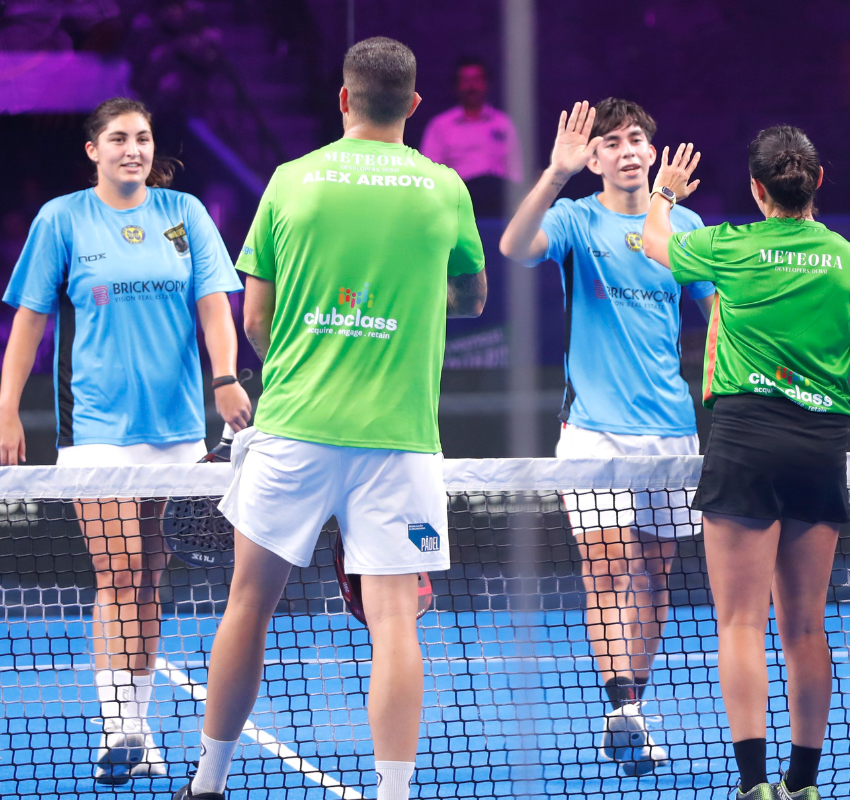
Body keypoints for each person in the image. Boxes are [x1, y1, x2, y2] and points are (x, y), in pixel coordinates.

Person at [176, 36, 486, 800]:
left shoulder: (290, 182)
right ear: (415, 105)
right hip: (398, 440)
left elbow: (255, 320)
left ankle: (208, 783)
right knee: (395, 626)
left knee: (248, 602)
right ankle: (393, 794)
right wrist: (413, 305)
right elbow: (474, 298)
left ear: (344, 99)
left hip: (293, 428)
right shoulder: (445, 187)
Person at [641, 126, 850, 800]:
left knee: (739, 624)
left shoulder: (730, 246)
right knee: (806, 627)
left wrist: (663, 194)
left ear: (758, 189)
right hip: (819, 450)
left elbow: (653, 244)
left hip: (744, 445)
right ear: (818, 181)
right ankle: (805, 784)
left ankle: (755, 784)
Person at [0, 97, 251, 786]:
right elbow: (30, 320)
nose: (131, 149)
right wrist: (6, 410)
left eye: (141, 138)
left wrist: (224, 378)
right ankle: (117, 729)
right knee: (120, 570)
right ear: (93, 150)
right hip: (95, 430)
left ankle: (137, 725)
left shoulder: (184, 215)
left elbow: (214, 305)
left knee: (150, 574)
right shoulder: (62, 220)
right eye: (117, 139)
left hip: (175, 432)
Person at [499, 98, 715, 776]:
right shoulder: (573, 219)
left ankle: (631, 711)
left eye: (637, 140)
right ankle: (620, 702)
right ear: (593, 157)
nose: (628, 150)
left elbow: (717, 314)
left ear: (652, 154)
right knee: (610, 565)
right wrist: (554, 174)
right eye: (613, 141)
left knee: (655, 574)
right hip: (591, 433)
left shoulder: (684, 225)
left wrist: (722, 386)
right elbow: (513, 246)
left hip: (671, 433)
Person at [420, 56, 522, 216]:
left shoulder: (503, 123)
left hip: (499, 201)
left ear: (486, 84)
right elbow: (429, 173)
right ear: (456, 86)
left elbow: (515, 171)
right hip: (457, 202)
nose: (471, 86)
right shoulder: (440, 125)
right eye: (465, 80)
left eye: (476, 79)